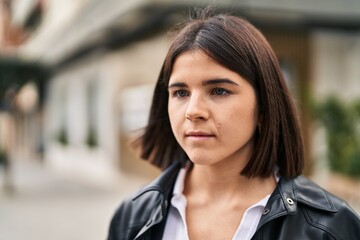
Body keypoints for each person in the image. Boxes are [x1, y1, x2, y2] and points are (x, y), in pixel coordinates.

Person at [108, 11, 360, 240]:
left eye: (218, 90)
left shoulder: (329, 227)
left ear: (264, 106)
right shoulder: (132, 217)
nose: (193, 111)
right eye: (181, 93)